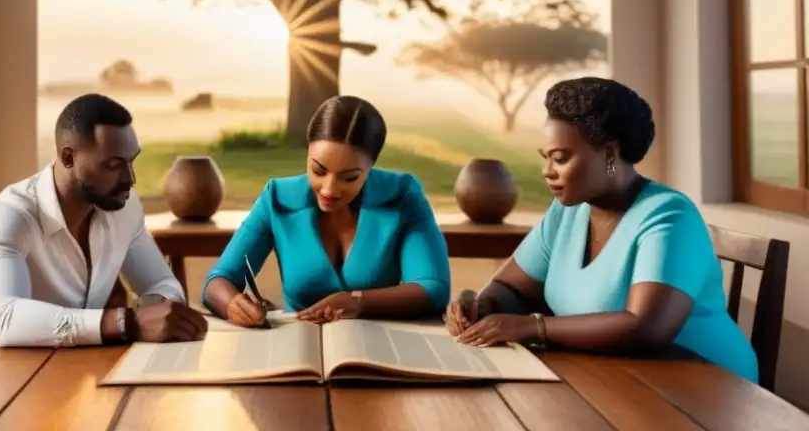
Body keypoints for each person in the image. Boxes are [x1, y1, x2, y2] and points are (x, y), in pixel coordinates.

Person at [444, 77, 758, 383]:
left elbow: (647, 328)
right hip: (619, 378)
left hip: (708, 387)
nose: (547, 171)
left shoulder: (669, 215)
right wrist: (483, 306)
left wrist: (532, 327)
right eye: (546, 157)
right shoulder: (568, 211)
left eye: (560, 158)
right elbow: (511, 288)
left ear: (609, 153)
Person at [0, 93, 208, 346]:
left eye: (131, 162)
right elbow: (7, 319)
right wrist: (128, 322)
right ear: (69, 157)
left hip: (59, 364)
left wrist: (160, 312)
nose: (130, 179)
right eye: (113, 165)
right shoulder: (8, 215)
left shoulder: (125, 208)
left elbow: (161, 283)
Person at [203, 95, 451, 327]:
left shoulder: (402, 196)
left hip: (378, 348)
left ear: (371, 167)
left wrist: (358, 301)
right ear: (308, 153)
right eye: (318, 171)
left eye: (350, 178)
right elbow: (218, 281)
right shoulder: (277, 198)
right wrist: (232, 304)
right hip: (298, 348)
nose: (330, 190)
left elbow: (433, 288)